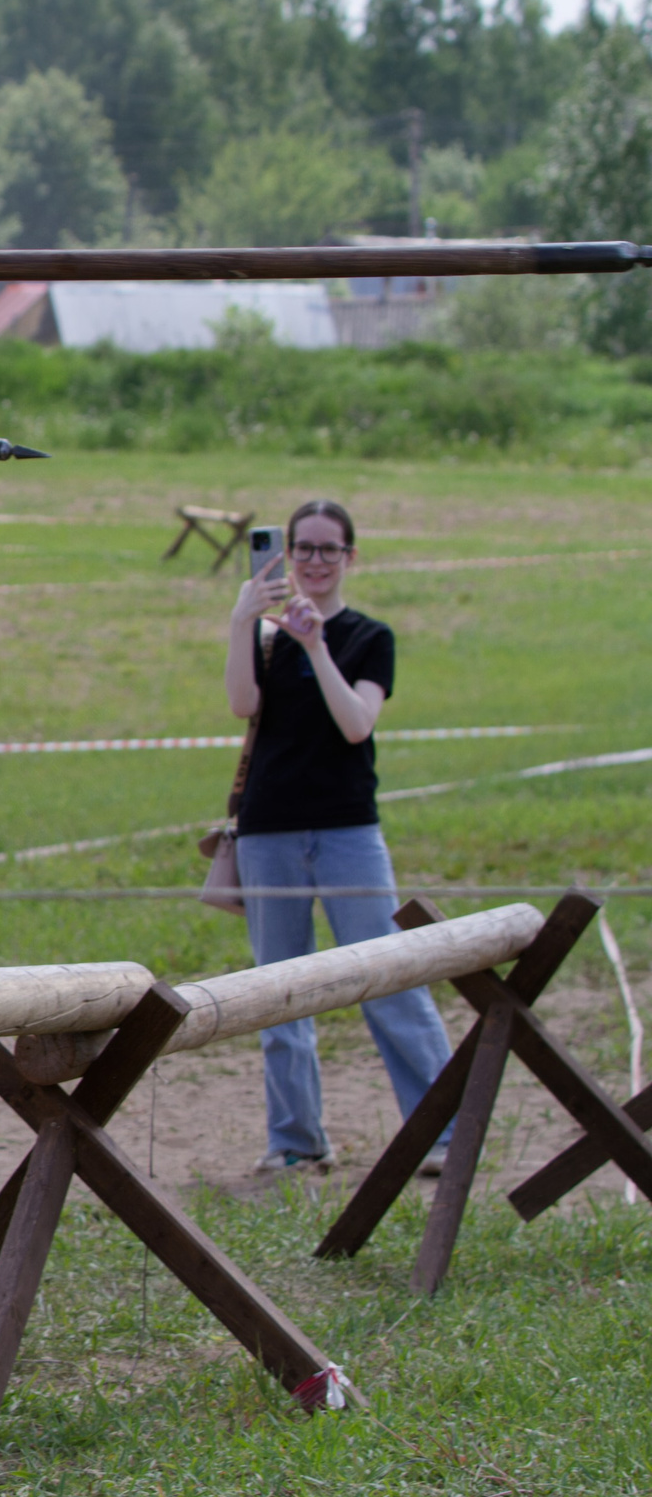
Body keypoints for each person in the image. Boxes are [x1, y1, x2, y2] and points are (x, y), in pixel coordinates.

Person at [226, 499, 454, 1175]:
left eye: (329, 549)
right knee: (280, 990)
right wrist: (244, 619)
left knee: (388, 977)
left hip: (348, 827)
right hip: (269, 829)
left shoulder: (368, 636)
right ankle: (296, 1140)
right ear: (286, 554)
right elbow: (242, 704)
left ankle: (439, 1131)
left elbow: (357, 722)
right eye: (304, 548)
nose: (316, 561)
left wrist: (315, 643)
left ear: (351, 556)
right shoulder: (263, 637)